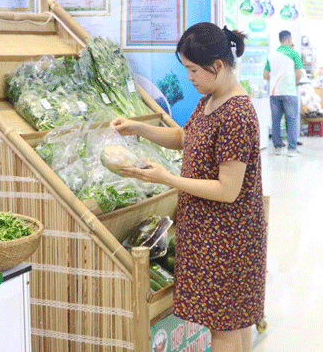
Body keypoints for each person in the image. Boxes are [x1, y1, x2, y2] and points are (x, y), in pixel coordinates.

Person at [110, 23, 266, 352]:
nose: (190, 78)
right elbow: (184, 138)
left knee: (224, 327)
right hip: (209, 233)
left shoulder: (236, 114)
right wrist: (139, 127)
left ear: (219, 66)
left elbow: (228, 190)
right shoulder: (210, 99)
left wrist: (166, 178)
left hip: (227, 238)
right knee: (232, 322)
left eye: (193, 70)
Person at [263, 30, 303, 157]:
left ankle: (277, 148)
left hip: (274, 92)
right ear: (290, 40)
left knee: (276, 120)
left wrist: (275, 80)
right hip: (290, 92)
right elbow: (299, 73)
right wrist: (295, 83)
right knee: (291, 120)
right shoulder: (294, 54)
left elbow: (265, 75)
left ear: (280, 40)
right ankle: (291, 149)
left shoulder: (271, 55)